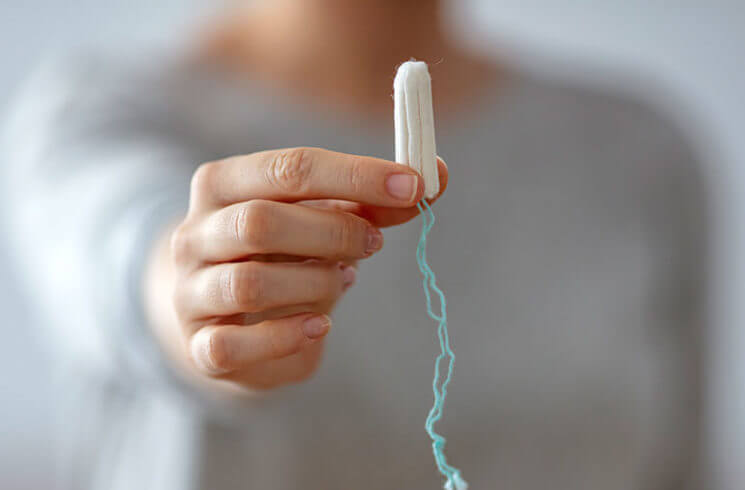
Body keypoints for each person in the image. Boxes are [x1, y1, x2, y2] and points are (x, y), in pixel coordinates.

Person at [1, 1, 707, 489]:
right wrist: (194, 289)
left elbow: (681, 465)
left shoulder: (638, 154)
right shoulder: (97, 114)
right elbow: (117, 249)